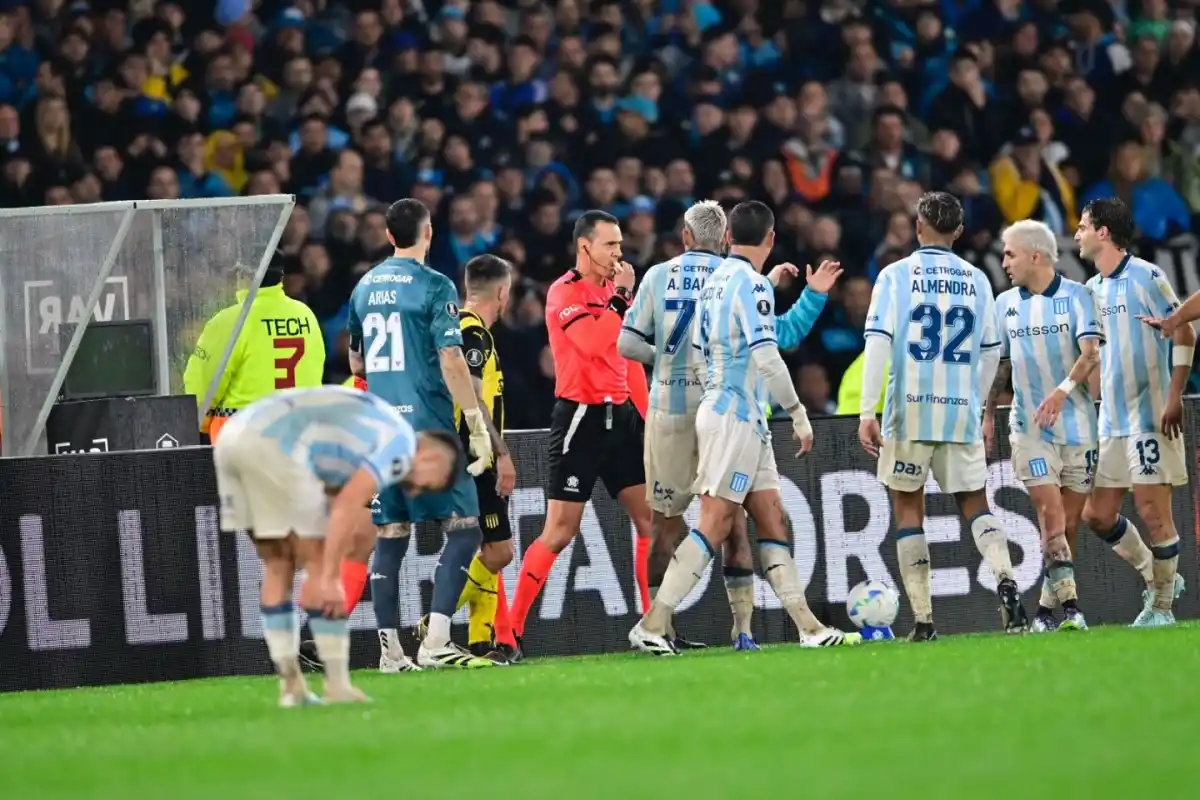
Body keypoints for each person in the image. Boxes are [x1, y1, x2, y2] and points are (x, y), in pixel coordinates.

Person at [629, 200, 858, 655]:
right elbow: (769, 355)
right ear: (771, 240)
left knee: (772, 517)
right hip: (735, 415)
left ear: (729, 238)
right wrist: (797, 412)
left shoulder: (717, 284)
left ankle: (809, 628)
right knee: (714, 524)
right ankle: (652, 624)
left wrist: (802, 294)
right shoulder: (750, 285)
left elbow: (745, 337)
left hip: (739, 415)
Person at [212, 385, 464, 706]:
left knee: (279, 565)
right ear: (432, 456)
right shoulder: (400, 445)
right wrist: (330, 576)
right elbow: (348, 503)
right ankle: (336, 685)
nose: (416, 492)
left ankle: (293, 688)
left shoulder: (369, 431)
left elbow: (332, 489)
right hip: (276, 447)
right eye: (429, 484)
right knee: (318, 563)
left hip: (233, 440)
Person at [857, 191, 1029, 641]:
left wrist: (866, 410)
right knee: (975, 504)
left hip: (908, 410)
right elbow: (992, 352)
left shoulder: (895, 276)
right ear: (958, 231)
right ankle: (1006, 583)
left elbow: (877, 343)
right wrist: (974, 401)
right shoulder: (976, 280)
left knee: (908, 507)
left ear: (918, 227)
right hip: (959, 412)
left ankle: (924, 621)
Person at [348, 198, 498, 670]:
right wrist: (476, 424)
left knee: (391, 535)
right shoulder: (435, 285)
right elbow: (452, 360)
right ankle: (435, 641)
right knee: (465, 528)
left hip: (382, 430)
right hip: (427, 428)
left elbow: (356, 362)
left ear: (390, 236)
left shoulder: (365, 286)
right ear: (428, 233)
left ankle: (390, 653)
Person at [508, 210, 653, 651]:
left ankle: (654, 628)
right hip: (580, 419)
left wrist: (646, 421)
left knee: (651, 523)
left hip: (622, 416)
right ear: (584, 246)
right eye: (611, 245)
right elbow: (593, 344)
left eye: (621, 246)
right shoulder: (563, 293)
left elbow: (628, 359)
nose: (619, 254)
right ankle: (510, 631)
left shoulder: (616, 293)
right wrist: (622, 298)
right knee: (560, 531)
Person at [1077, 198, 1191, 627]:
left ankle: (1161, 608)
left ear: (1103, 232)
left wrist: (1173, 396)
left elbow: (1186, 330)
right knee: (1098, 515)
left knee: (1152, 509)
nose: (1077, 235)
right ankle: (1156, 576)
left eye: (1083, 226)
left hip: (1150, 416)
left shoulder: (1147, 275)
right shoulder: (1092, 290)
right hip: (1111, 420)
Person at [984, 220, 1103, 633]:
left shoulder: (1079, 296)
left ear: (1036, 255)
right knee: (1050, 517)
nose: (1004, 262)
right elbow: (999, 365)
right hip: (1029, 428)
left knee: (1068, 528)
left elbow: (1090, 355)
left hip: (1078, 428)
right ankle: (1073, 609)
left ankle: (1046, 613)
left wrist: (1062, 391)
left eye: (1010, 254)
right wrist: (986, 415)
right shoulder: (1004, 305)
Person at [415, 254, 520, 664]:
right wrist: (502, 453)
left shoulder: (458, 328)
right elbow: (474, 395)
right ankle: (436, 619)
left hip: (461, 450)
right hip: (475, 453)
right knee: (499, 553)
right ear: (502, 292)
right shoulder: (473, 332)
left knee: (484, 547)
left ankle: (481, 642)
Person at [184, 248, 325, 443]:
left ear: (243, 275)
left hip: (243, 439)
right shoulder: (305, 315)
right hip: (298, 435)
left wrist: (199, 427)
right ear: (280, 277)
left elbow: (203, 385)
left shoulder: (229, 320)